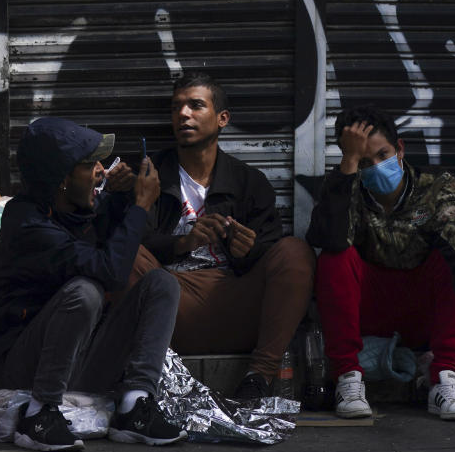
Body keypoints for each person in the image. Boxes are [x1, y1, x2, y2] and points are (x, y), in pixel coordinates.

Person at [0, 117, 186, 452]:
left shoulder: (70, 207)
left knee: (162, 284)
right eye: (90, 165)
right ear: (62, 178)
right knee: (85, 291)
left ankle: (135, 405)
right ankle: (39, 415)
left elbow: (107, 234)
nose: (102, 170)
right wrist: (141, 205)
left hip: (77, 360)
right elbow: (110, 269)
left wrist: (124, 198)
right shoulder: (27, 223)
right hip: (20, 368)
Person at [128, 73, 316, 400]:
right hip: (172, 306)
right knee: (123, 253)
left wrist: (248, 250)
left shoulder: (249, 182)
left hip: (235, 304)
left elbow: (272, 255)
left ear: (222, 119)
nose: (183, 114)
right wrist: (182, 243)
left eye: (195, 106)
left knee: (296, 252)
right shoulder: (149, 174)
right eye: (176, 108)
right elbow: (131, 242)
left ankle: (259, 377)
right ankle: (140, 379)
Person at [306, 105, 455, 421]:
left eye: (383, 155)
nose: (376, 167)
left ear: (400, 149)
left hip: (422, 312)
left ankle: (445, 381)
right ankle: (348, 380)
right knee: (335, 257)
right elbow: (331, 237)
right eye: (365, 161)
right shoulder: (345, 187)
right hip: (369, 311)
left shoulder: (435, 186)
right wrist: (349, 167)